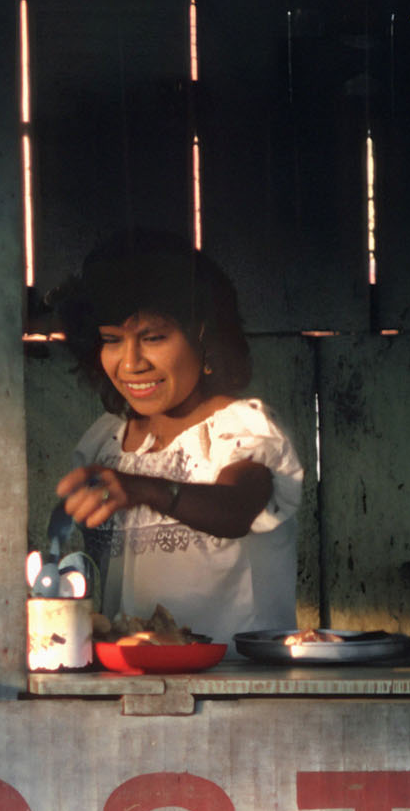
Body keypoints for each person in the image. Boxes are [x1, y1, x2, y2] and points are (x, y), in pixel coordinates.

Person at [49, 234, 303, 638]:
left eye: (153, 337)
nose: (130, 363)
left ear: (203, 334)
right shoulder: (106, 443)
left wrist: (147, 490)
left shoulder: (241, 429)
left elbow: (238, 507)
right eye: (112, 340)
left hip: (237, 690)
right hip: (132, 691)